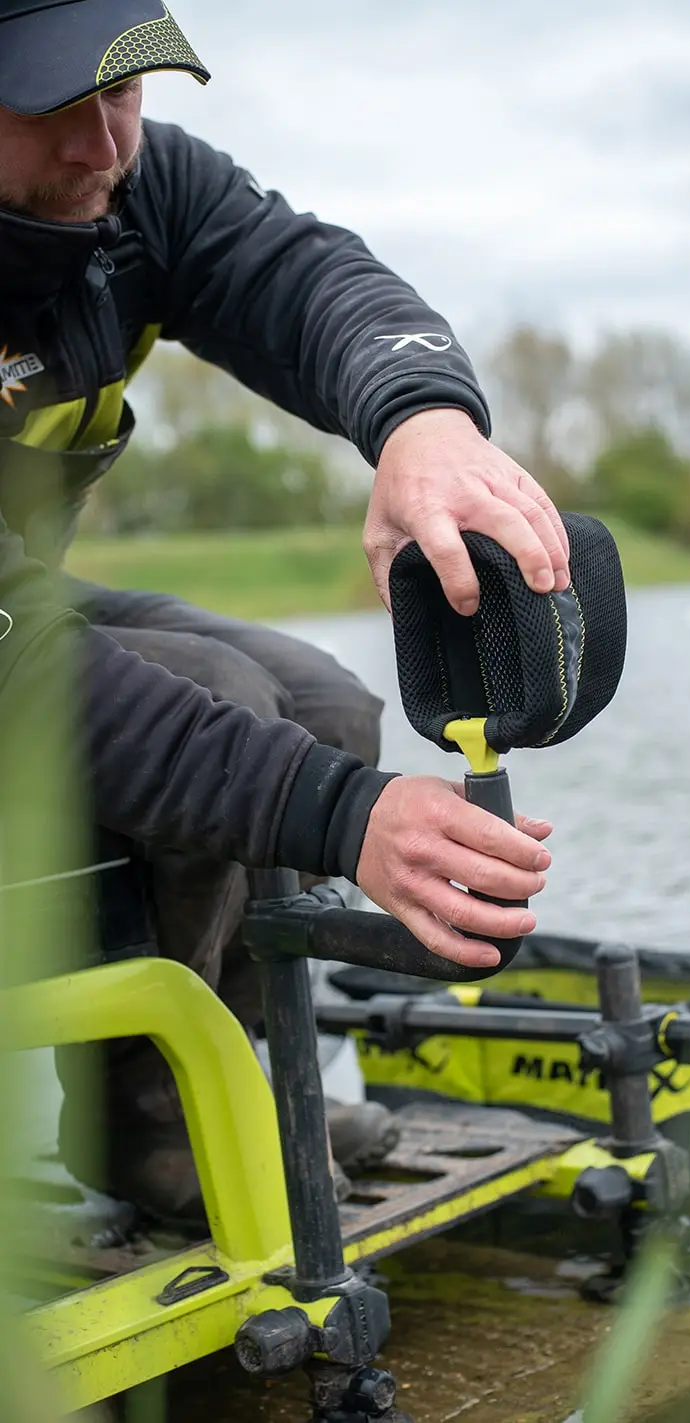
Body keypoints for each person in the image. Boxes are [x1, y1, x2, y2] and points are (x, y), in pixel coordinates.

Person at [0, 0, 570, 1226]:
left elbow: (305, 277)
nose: (104, 146)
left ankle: (222, 1078)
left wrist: (421, 420)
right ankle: (154, 1131)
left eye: (123, 92)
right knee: (229, 706)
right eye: (51, 107)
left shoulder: (133, 191)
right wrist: (346, 817)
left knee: (322, 701)